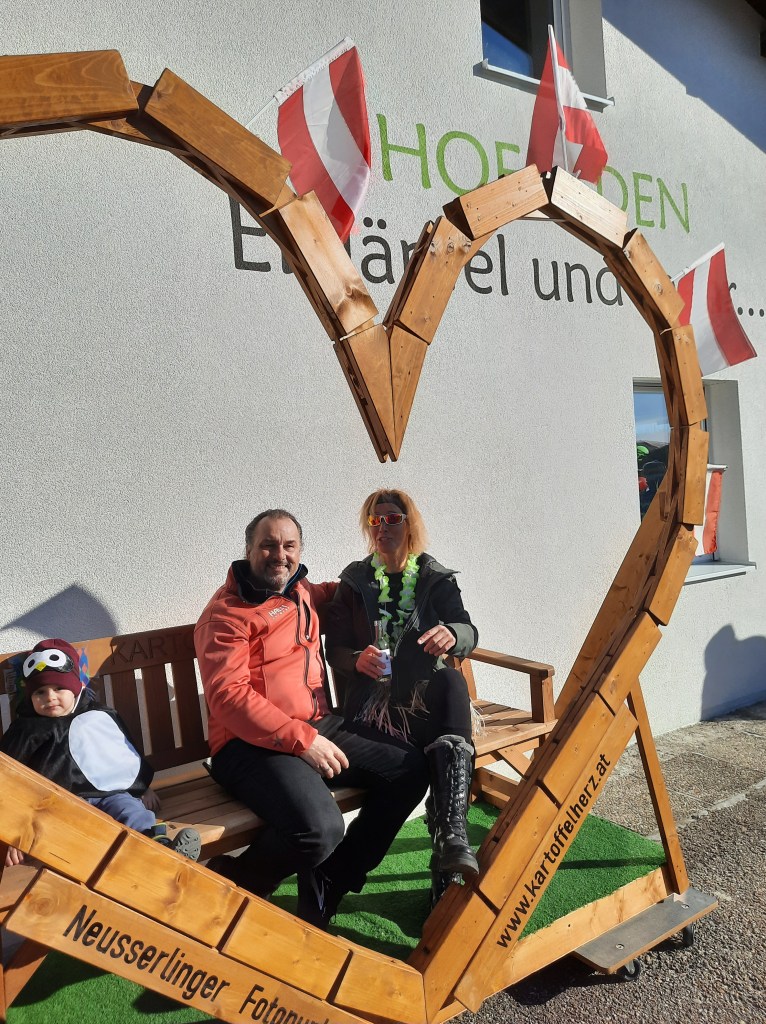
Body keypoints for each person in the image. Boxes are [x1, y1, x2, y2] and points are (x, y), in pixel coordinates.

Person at [194, 508, 429, 928]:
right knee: (320, 828)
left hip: (313, 725)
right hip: (247, 745)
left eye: (289, 546)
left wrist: (401, 574)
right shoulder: (225, 615)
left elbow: (348, 589)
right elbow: (228, 697)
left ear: (300, 550)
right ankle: (238, 879)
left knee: (409, 769)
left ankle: (332, 877)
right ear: (248, 550)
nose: (279, 555)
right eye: (268, 545)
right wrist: (302, 740)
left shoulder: (301, 590)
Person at [325, 488, 480, 905]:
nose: (383, 527)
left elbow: (467, 629)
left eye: (392, 519)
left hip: (424, 700)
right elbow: (334, 648)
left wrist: (453, 634)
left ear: (409, 524)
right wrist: (356, 660)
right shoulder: (355, 581)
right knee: (437, 748)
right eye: (375, 520)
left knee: (451, 683)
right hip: (374, 708)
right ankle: (448, 852)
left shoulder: (432, 577)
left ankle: (451, 835)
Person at [1, 638, 201, 867]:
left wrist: (142, 786)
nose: (50, 697)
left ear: (76, 688)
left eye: (59, 688)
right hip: (61, 806)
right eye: (40, 692)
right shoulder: (25, 730)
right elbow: (7, 779)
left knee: (131, 811)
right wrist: (14, 831)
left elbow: (122, 753)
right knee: (65, 832)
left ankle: (161, 848)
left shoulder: (97, 715)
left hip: (111, 794)